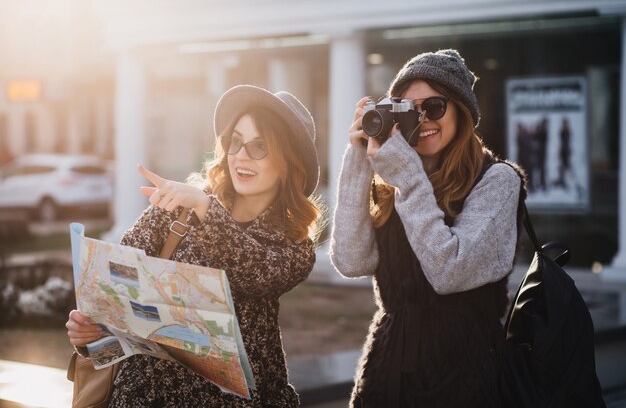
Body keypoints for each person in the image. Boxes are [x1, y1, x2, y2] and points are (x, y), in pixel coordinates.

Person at [66, 84, 324, 407]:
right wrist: (90, 333)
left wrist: (206, 208)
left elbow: (256, 271)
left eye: (259, 147)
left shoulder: (294, 244)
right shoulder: (181, 207)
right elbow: (115, 290)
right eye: (236, 142)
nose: (241, 156)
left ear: (288, 162)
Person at [330, 49, 526, 407]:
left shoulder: (497, 181)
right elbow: (350, 259)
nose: (422, 120)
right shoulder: (396, 181)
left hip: (465, 370)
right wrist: (358, 156)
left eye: (434, 107)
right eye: (408, 109)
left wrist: (408, 179)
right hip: (388, 370)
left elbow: (449, 271)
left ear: (462, 112)